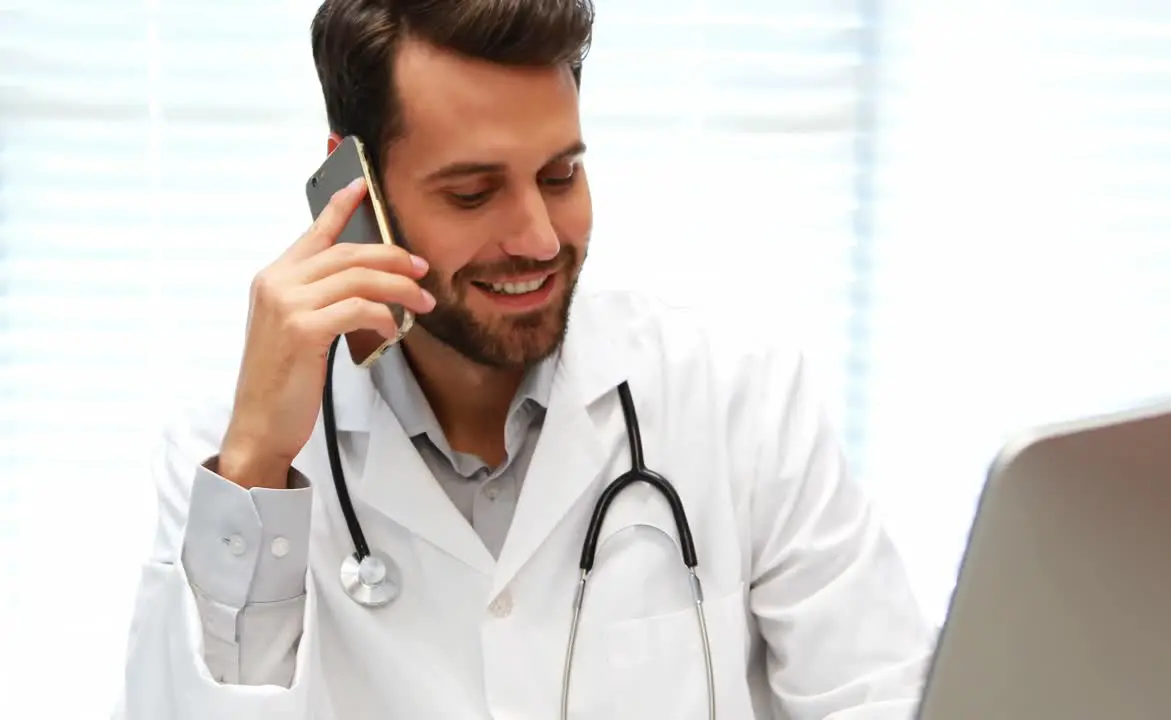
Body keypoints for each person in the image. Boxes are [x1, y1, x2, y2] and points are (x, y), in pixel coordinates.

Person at [114, 0, 935, 718]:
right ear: (353, 184)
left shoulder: (737, 402)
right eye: (472, 193)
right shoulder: (230, 461)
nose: (538, 239)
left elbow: (888, 698)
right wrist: (258, 466)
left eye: (560, 175)